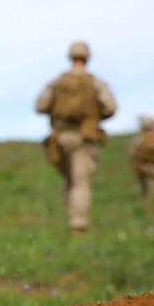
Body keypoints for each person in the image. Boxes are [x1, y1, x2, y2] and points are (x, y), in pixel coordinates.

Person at [34, 41, 117, 234]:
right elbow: (111, 107)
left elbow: (40, 105)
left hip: (61, 138)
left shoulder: (57, 82)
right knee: (81, 182)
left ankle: (71, 217)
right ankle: (78, 225)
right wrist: (95, 116)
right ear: (87, 58)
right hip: (85, 137)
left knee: (70, 180)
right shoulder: (95, 82)